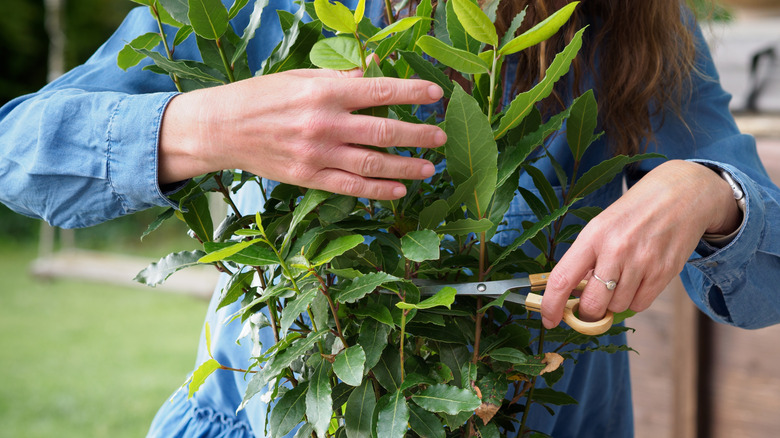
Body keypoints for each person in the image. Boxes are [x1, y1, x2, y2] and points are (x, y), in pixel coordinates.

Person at [1, 0, 778, 436]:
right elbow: (17, 152)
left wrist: (708, 190)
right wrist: (201, 126)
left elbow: (766, 280)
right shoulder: (253, 11)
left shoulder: (628, 25)